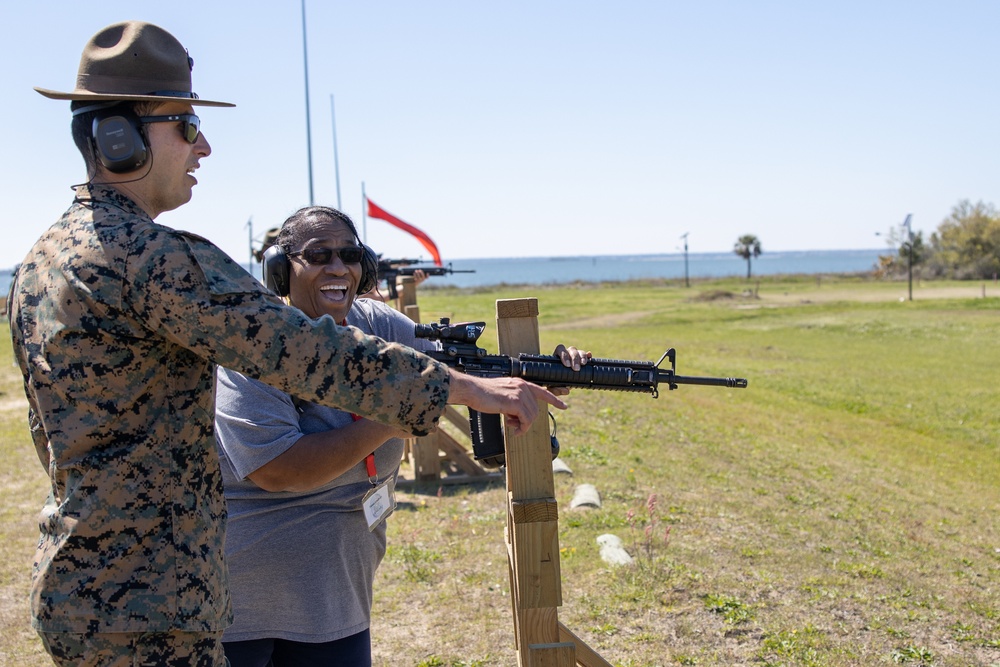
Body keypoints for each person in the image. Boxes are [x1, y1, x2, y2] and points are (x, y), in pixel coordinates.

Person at [9, 22, 565, 667]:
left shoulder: (44, 258)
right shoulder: (150, 259)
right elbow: (302, 349)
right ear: (119, 137)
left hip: (91, 581)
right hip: (149, 603)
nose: (204, 146)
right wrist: (457, 387)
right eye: (186, 125)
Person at [214, 206, 590, 667]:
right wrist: (397, 417)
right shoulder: (253, 343)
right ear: (280, 270)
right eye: (318, 256)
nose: (338, 268)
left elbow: (449, 373)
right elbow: (279, 469)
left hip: (339, 592)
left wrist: (533, 374)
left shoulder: (377, 324)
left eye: (350, 255)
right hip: (245, 604)